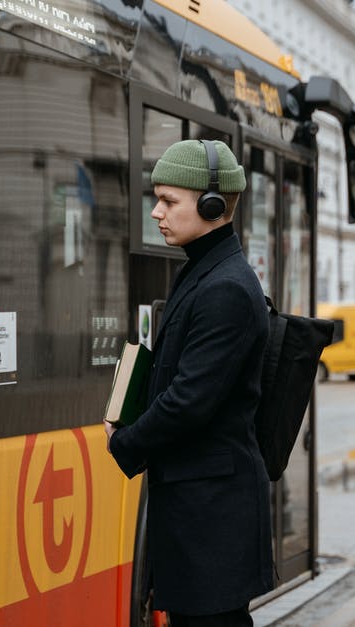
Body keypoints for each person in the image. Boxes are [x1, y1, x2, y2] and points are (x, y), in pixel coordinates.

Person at [105, 139, 271, 626]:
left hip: (213, 521)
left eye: (169, 201)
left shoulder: (225, 288)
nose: (156, 212)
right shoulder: (205, 272)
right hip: (201, 512)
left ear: (212, 205)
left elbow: (189, 401)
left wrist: (125, 441)